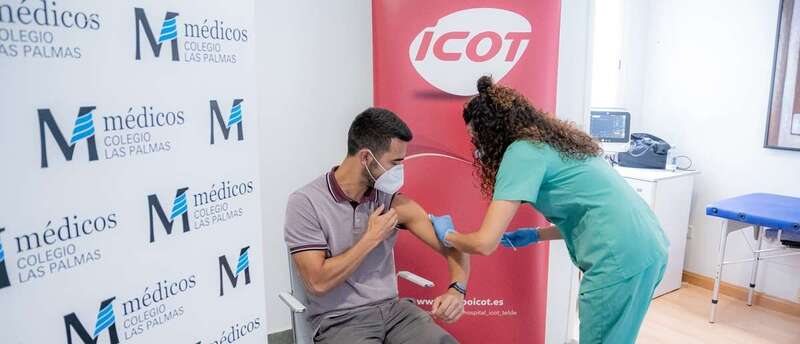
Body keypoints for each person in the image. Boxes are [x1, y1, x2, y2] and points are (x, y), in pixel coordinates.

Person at [429, 76, 669, 344]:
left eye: (477, 139)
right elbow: (591, 213)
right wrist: (536, 234)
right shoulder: (558, 144)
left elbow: (485, 243)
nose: (478, 148)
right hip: (648, 246)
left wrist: (447, 235)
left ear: (492, 132)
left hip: (619, 259)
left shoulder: (522, 152)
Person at [284, 107, 469, 344]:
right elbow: (317, 282)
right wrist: (370, 238)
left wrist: (457, 289)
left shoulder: (391, 200)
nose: (401, 170)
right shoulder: (306, 203)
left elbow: (455, 246)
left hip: (395, 314)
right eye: (395, 162)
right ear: (365, 157)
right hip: (340, 321)